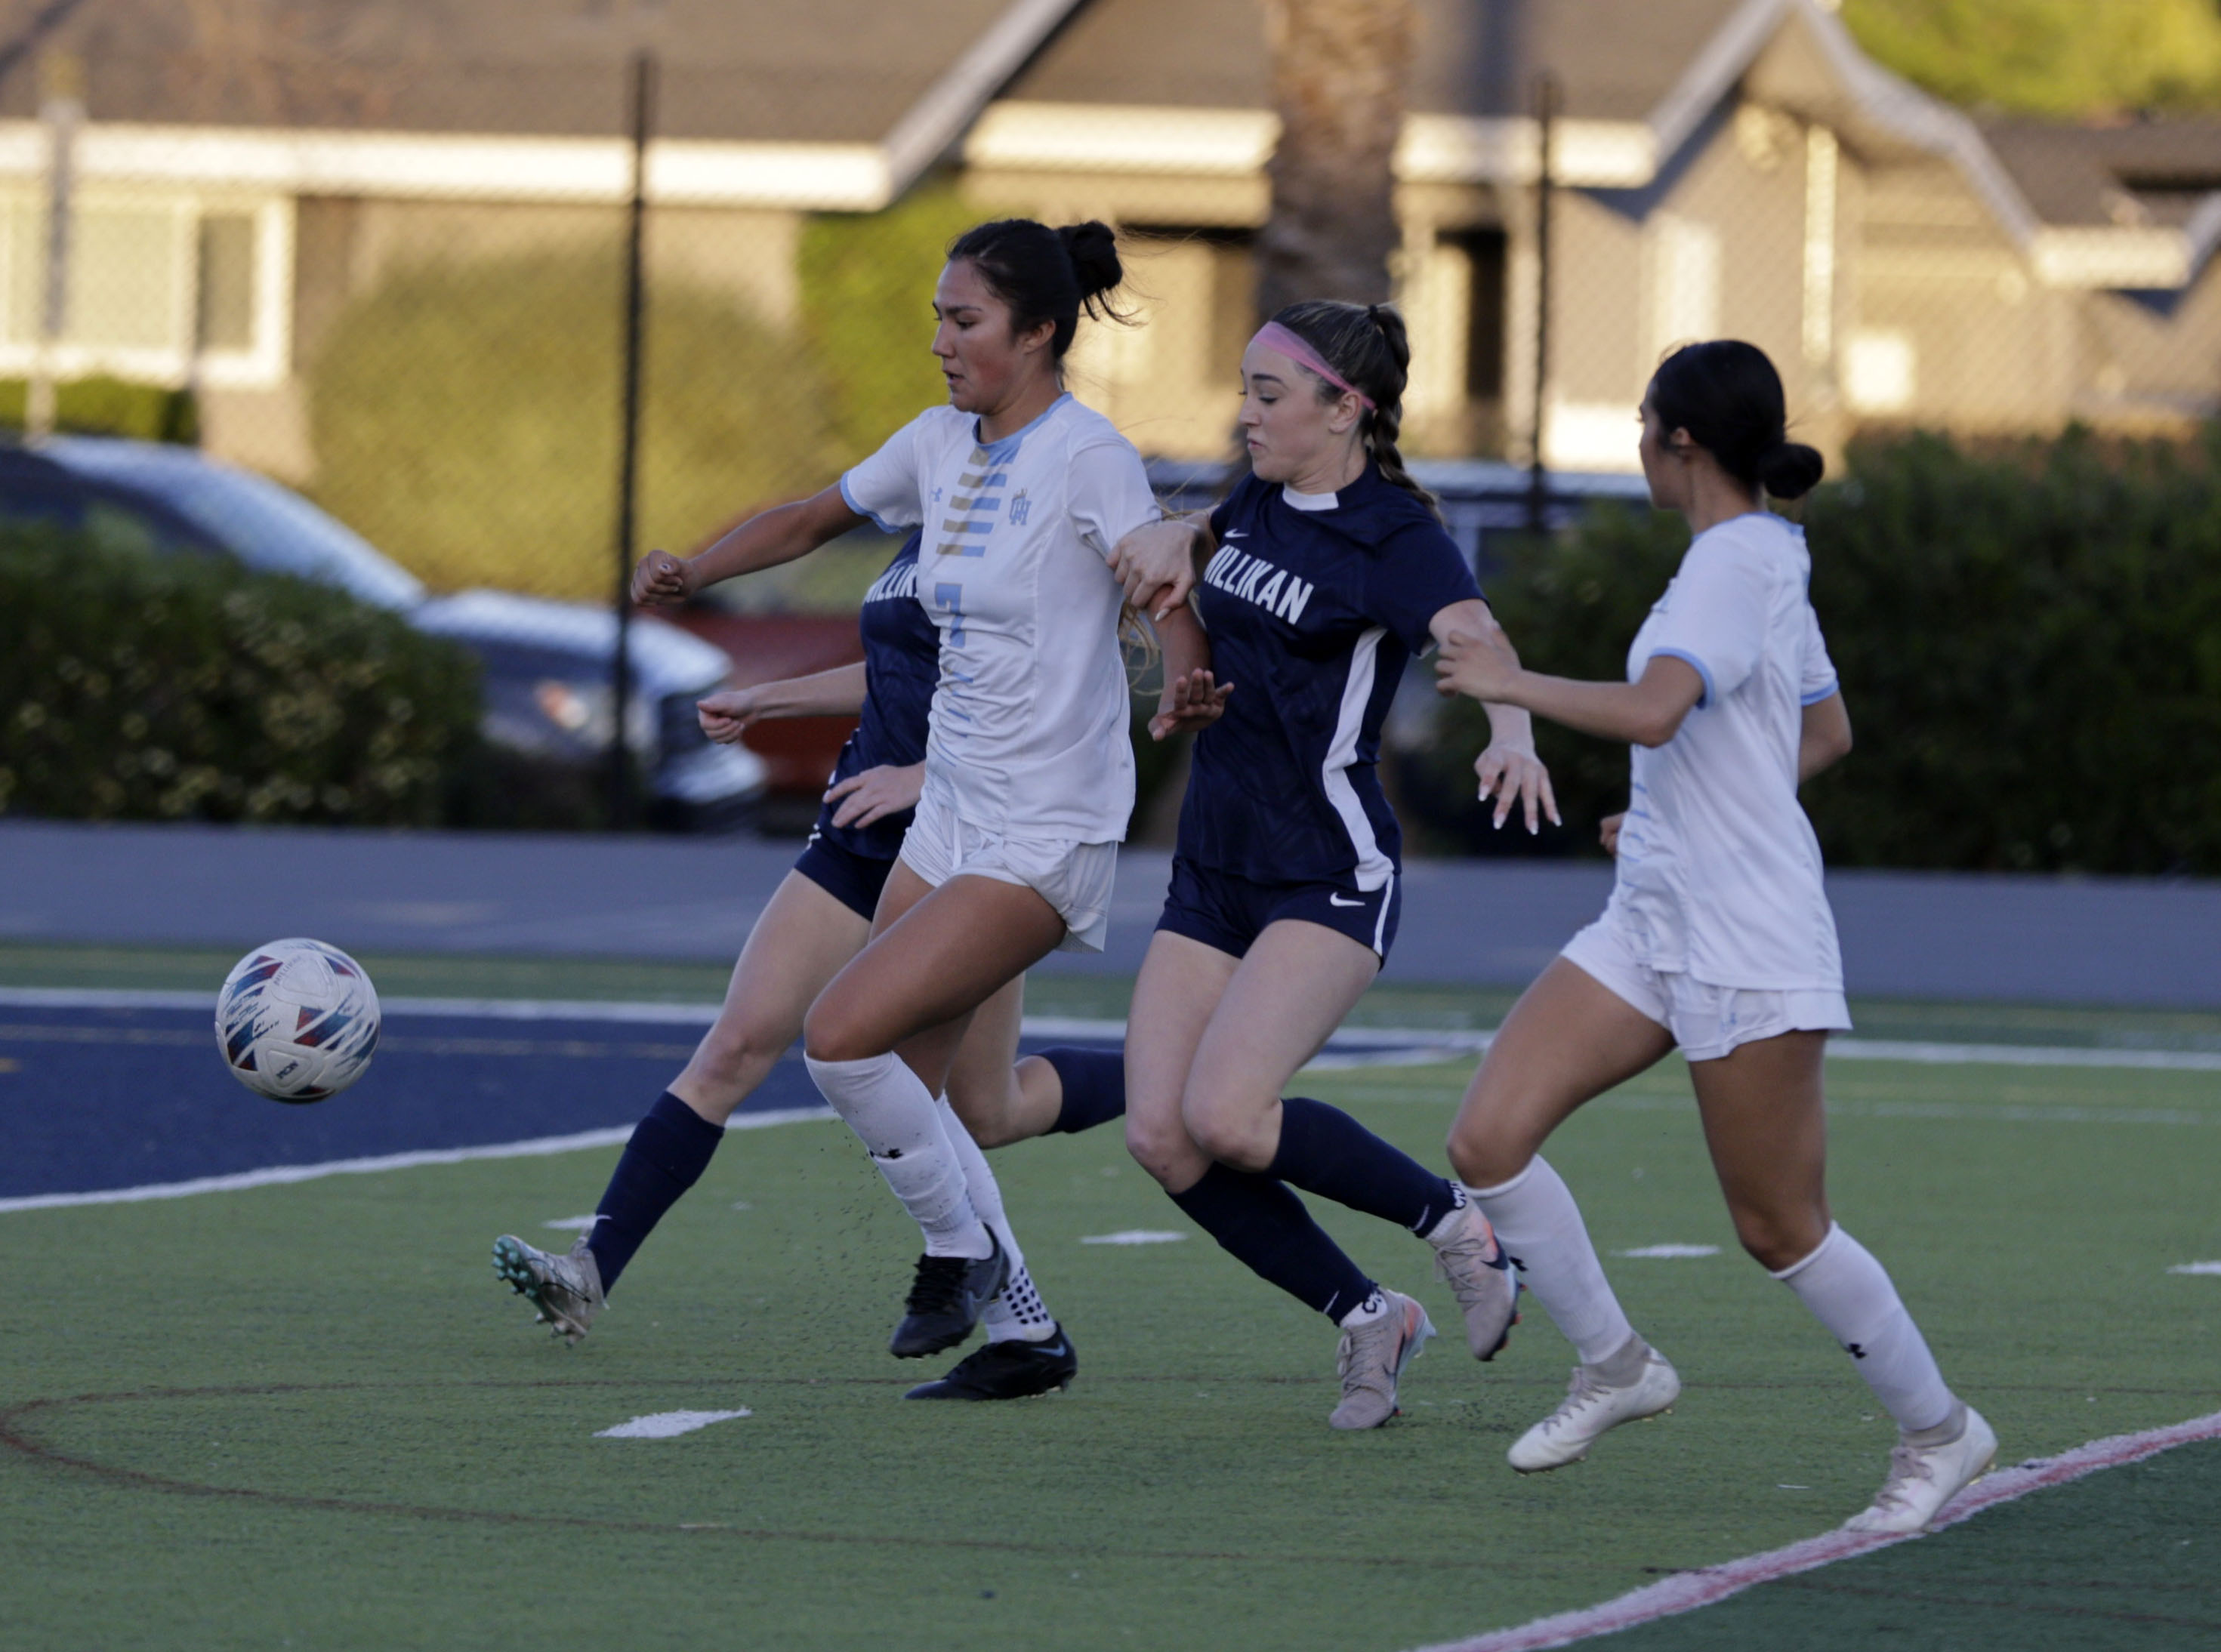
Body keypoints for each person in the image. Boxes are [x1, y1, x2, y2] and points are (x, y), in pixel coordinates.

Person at [605, 217, 1217, 1382]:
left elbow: (1155, 570)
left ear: (1037, 333)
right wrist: (697, 567)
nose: (940, 341)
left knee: (840, 1040)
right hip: (953, 814)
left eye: (964, 319)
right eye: (936, 317)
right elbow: (808, 518)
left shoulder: (1088, 456)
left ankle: (957, 1255)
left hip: (1048, 824)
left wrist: (1183, 670)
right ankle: (1026, 1327)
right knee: (930, 1098)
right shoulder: (939, 443)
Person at [1433, 339, 1992, 1532]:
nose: (1637, 447)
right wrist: (1680, 810)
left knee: (1776, 1226)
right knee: (1486, 1140)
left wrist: (1508, 680)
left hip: (1746, 935)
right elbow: (1823, 732)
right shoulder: (1759, 555)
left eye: (1642, 427)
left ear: (1675, 441)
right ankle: (1617, 1367)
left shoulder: (1731, 566)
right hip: (1653, 914)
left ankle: (1942, 1433)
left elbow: (1650, 708)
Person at [490, 520, 1131, 1402]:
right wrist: (770, 699)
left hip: (972, 849)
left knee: (985, 1106)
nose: (946, 386)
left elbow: (1052, 692)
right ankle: (591, 1270)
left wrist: (924, 776)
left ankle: (1172, 1080)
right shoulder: (930, 499)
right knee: (736, 1046)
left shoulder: (1033, 512)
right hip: (860, 834)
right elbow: (898, 670)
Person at [1110, 300, 1556, 1429]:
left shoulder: (1396, 536)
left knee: (1229, 1115)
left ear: (1344, 408)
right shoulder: (1260, 493)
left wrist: (1512, 730)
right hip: (1214, 862)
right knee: (1160, 1135)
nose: (1245, 412)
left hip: (1327, 868)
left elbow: (1472, 635)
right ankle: (1369, 1318)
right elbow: (1229, 537)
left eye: (1269, 395)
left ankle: (1456, 1224)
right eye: (1246, 389)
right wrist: (1184, 546)